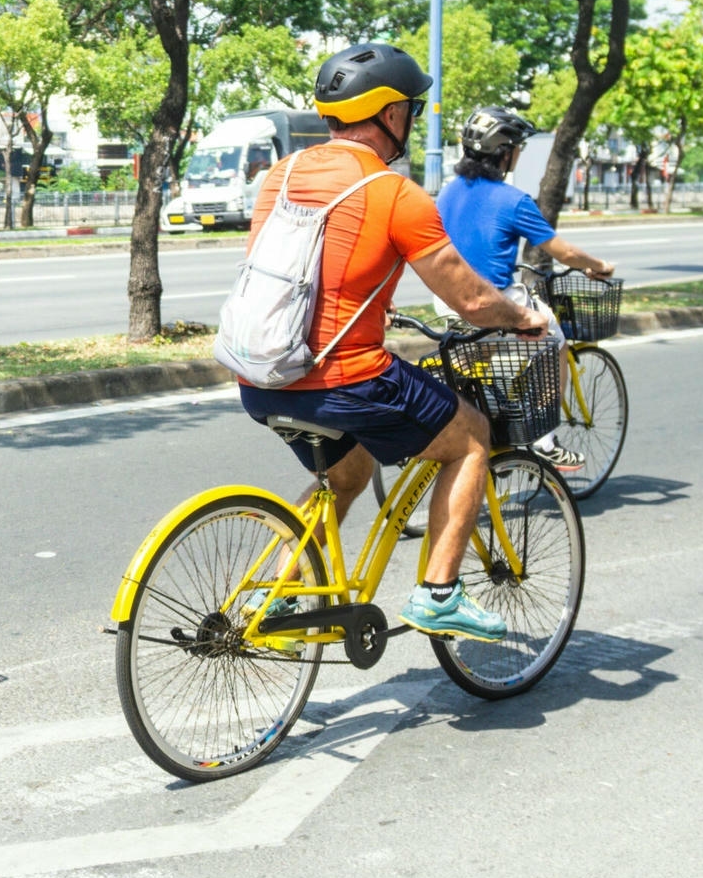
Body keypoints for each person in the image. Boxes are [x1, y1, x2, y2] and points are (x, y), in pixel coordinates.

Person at [236, 44, 550, 643]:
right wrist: (521, 318)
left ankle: (280, 597)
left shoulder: (280, 176)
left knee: (346, 476)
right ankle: (439, 594)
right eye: (410, 107)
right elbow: (471, 300)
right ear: (388, 114)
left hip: (263, 375)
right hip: (346, 380)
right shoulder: (394, 192)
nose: (411, 118)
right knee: (471, 438)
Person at [435, 107, 615, 472]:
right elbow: (563, 252)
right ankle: (545, 440)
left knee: (471, 365)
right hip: (495, 304)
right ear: (504, 152)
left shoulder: (445, 194)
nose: (518, 153)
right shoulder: (513, 199)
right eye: (517, 146)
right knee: (555, 341)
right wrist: (598, 266)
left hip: (447, 302)